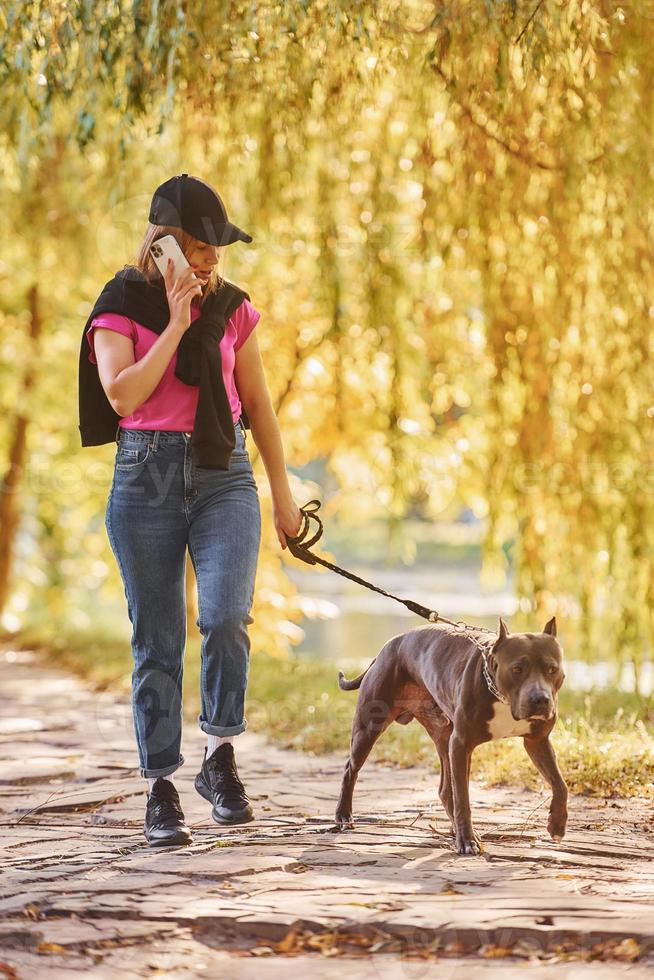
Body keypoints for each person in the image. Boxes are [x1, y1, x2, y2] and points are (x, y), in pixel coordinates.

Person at [79, 174, 303, 847]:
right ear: (164, 244)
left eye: (216, 246)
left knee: (228, 616)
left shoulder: (234, 308)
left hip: (223, 475)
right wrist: (176, 323)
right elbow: (122, 396)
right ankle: (160, 786)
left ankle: (219, 755)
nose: (211, 258)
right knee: (158, 642)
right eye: (199, 245)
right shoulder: (120, 303)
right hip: (144, 475)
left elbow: (259, 406)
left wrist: (286, 498)